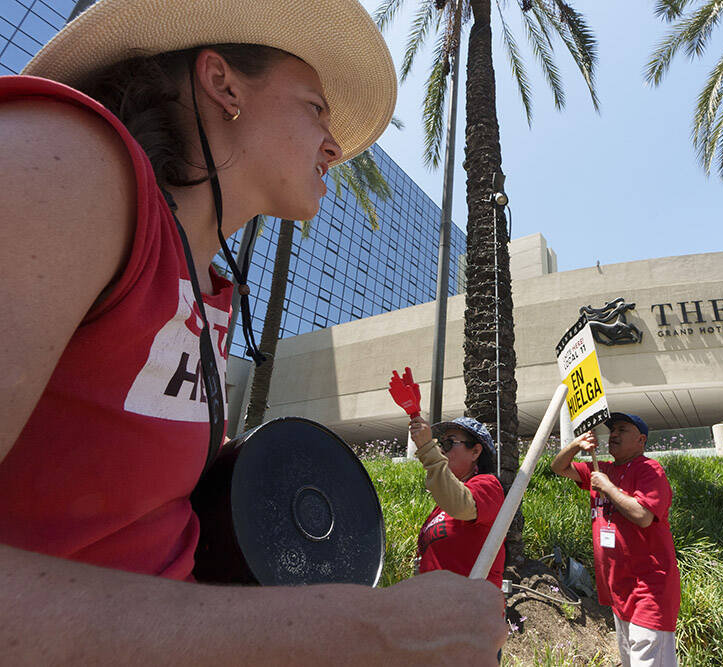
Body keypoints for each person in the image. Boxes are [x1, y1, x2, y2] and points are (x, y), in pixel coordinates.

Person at [0, 0, 504, 662]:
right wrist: (361, 632)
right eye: (316, 109)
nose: (335, 145)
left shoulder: (207, 285)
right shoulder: (69, 162)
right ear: (224, 84)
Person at [550, 413, 680, 667]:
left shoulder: (649, 469)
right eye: (612, 430)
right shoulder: (603, 468)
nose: (614, 435)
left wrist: (608, 488)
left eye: (622, 429)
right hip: (618, 590)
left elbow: (643, 516)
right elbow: (558, 467)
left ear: (641, 439)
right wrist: (576, 445)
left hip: (649, 590)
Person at [408, 416, 505, 587]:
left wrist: (427, 448)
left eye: (449, 443)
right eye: (440, 444)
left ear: (475, 451)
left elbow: (461, 505)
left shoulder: (488, 486)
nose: (442, 450)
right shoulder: (440, 508)